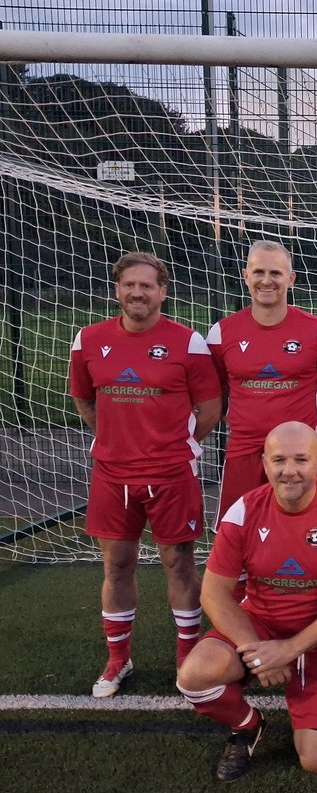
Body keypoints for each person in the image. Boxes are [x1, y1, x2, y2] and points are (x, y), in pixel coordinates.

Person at [69, 251, 222, 698]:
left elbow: (210, 408)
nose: (137, 292)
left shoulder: (187, 342)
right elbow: (84, 399)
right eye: (129, 285)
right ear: (117, 289)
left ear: (163, 291)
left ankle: (187, 655)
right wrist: (116, 439)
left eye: (147, 285)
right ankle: (119, 659)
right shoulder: (88, 340)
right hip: (113, 476)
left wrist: (181, 445)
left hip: (172, 474)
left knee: (179, 564)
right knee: (117, 565)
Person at [176, 422, 317, 782]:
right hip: (259, 626)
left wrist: (290, 649)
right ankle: (247, 725)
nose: (289, 470)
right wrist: (257, 650)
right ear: (264, 463)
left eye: (301, 460)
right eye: (279, 460)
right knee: (194, 676)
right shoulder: (244, 510)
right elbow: (213, 592)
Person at [207, 240, 317, 520]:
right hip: (243, 452)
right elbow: (214, 396)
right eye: (258, 272)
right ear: (246, 277)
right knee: (239, 536)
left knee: (307, 533)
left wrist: (301, 429)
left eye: (276, 274)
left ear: (290, 279)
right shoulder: (221, 333)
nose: (266, 281)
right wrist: (244, 422)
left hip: (300, 457)